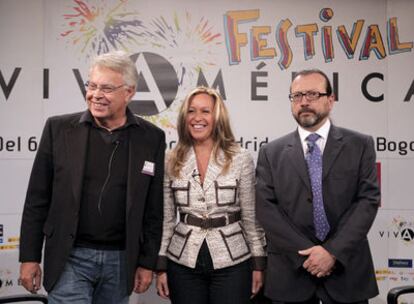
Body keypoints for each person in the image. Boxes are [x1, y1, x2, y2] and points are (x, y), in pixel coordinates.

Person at [19, 51, 165, 303]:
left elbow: (153, 209)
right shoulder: (58, 129)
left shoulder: (151, 137)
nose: (96, 94)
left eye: (107, 88)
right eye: (92, 85)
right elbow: (37, 200)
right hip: (69, 258)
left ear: (128, 92)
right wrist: (29, 257)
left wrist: (147, 262)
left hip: (121, 262)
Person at [256, 69, 380, 304]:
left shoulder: (360, 145)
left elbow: (367, 201)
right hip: (292, 274)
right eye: (297, 96)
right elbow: (266, 209)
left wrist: (332, 252)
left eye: (313, 94)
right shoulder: (270, 153)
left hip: (346, 272)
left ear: (330, 100)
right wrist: (308, 255)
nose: (304, 102)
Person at [155, 86, 266, 304]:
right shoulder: (170, 159)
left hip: (233, 261)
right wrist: (161, 266)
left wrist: (258, 263)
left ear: (217, 117)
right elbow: (166, 219)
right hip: (183, 261)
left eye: (205, 111)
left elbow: (251, 218)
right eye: (191, 111)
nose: (197, 118)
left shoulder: (240, 158)